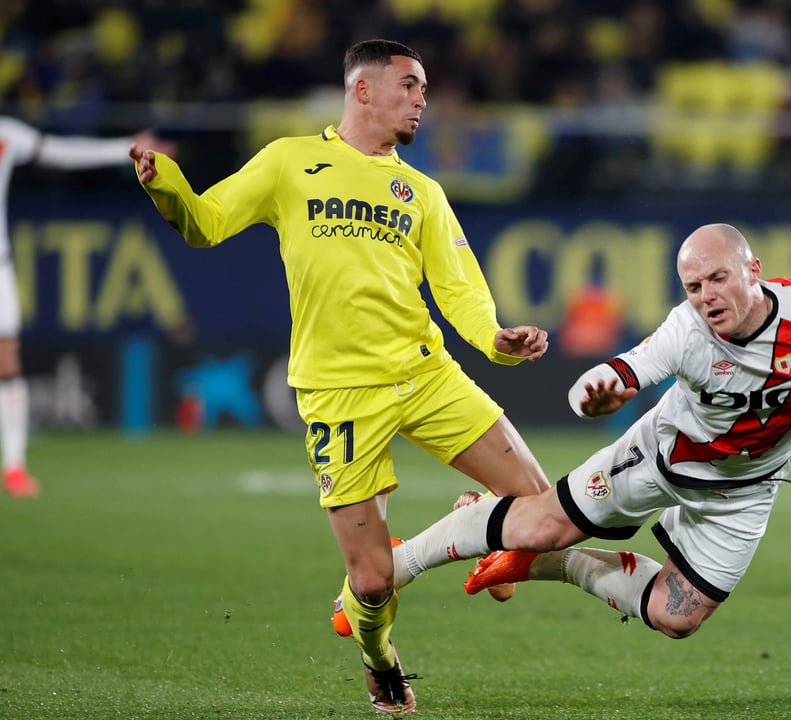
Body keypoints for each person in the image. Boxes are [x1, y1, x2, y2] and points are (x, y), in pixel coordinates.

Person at [130, 39, 552, 716]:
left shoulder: (422, 191)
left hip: (425, 373)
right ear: (363, 90)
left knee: (540, 504)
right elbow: (205, 225)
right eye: (410, 86)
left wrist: (499, 343)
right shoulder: (290, 162)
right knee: (373, 580)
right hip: (339, 393)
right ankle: (381, 661)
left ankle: (475, 524)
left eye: (423, 89)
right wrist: (167, 184)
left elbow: (463, 294)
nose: (422, 100)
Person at [379, 223, 791, 640]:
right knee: (544, 523)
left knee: (676, 617)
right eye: (694, 285)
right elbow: (615, 372)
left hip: (746, 491)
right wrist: (594, 397)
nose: (707, 295)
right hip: (658, 457)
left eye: (718, 278)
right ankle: (397, 564)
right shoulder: (686, 329)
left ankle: (555, 564)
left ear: (754, 270)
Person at [0, 118, 174, 498]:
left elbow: (60, 153)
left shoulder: (5, 134)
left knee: (8, 363)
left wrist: (124, 146)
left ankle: (14, 467)